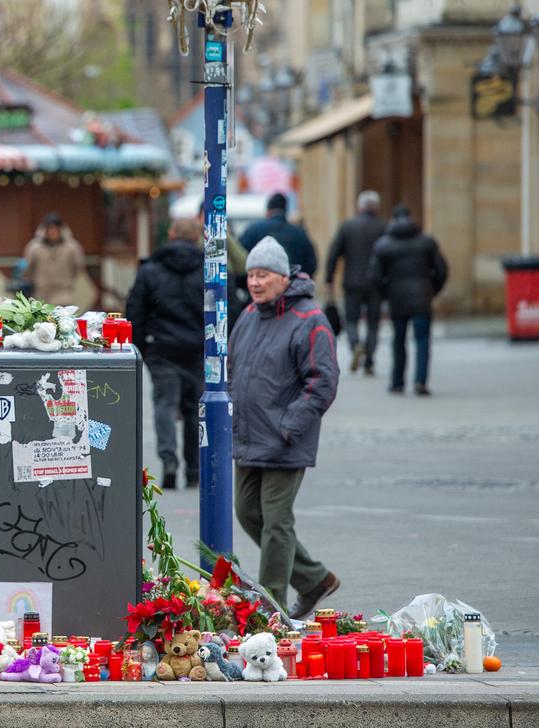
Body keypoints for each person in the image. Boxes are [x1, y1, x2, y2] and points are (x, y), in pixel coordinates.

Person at [229, 237, 340, 619]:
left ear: (283, 277)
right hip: (249, 435)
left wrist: (289, 425)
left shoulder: (310, 320)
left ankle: (270, 606)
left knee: (276, 521)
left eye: (263, 275)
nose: (255, 283)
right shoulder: (249, 315)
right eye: (251, 275)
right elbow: (236, 369)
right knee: (247, 513)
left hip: (284, 438)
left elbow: (323, 381)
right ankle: (314, 579)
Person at [126, 218, 208, 490]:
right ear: (198, 236)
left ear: (171, 234)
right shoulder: (210, 269)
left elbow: (135, 311)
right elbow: (226, 308)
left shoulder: (151, 270)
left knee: (164, 404)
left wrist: (139, 349)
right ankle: (194, 470)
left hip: (161, 347)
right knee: (195, 410)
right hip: (199, 349)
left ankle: (168, 460)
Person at [369, 206, 447, 396]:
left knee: (398, 340)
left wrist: (387, 293)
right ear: (411, 218)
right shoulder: (426, 242)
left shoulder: (384, 245)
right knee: (422, 341)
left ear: (393, 221)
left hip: (397, 299)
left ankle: (397, 382)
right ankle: (420, 381)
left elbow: (374, 275)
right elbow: (442, 270)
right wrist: (432, 290)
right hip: (422, 296)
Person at [325, 191, 388, 376]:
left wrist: (329, 278)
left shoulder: (348, 226)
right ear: (376, 207)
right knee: (373, 323)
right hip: (375, 283)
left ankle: (355, 345)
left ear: (360, 207)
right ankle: (369, 360)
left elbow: (334, 253)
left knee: (351, 319)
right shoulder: (382, 227)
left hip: (352, 282)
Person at [238, 193, 318, 279]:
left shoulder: (252, 230)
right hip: (292, 285)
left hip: (259, 287)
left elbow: (240, 260)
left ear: (268, 211)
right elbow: (311, 263)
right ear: (286, 211)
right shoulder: (299, 233)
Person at [23, 212, 85, 305]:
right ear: (45, 230)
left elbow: (78, 267)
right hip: (41, 294)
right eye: (50, 228)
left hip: (64, 293)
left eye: (55, 228)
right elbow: (27, 268)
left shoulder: (72, 247)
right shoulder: (34, 247)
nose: (52, 231)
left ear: (61, 229)